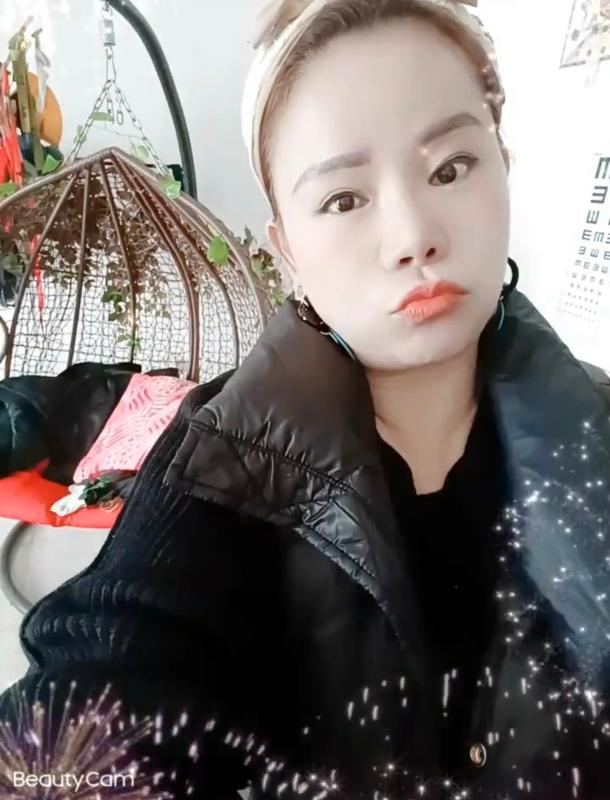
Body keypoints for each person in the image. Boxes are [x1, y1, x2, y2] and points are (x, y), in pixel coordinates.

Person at [2, 1, 610, 798]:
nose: (413, 236)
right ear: (287, 247)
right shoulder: (217, 460)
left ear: (503, 166)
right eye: (344, 199)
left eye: (450, 167)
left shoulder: (596, 429)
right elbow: (93, 699)